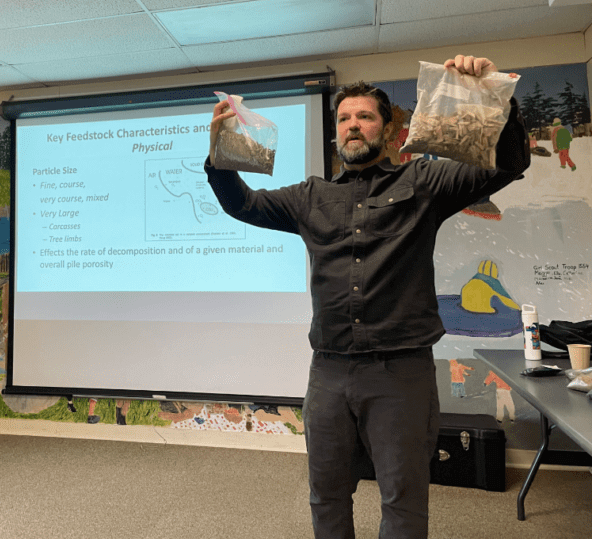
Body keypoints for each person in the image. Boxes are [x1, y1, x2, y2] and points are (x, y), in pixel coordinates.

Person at [205, 55, 530, 539]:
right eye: (344, 119)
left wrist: (492, 94)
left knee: (403, 499)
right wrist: (220, 154)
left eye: (364, 116)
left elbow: (507, 165)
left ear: (388, 129)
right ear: (336, 133)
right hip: (329, 372)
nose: (352, 125)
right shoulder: (309, 197)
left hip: (401, 372)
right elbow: (243, 203)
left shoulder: (423, 182)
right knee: (327, 494)